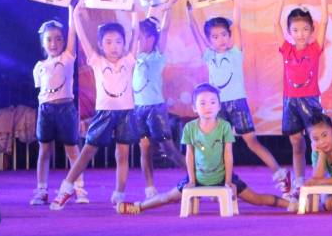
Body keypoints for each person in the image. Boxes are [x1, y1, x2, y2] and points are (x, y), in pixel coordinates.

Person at [116, 84, 295, 214]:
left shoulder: (224, 126)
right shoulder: (190, 128)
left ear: (219, 106)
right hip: (199, 176)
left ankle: (289, 203)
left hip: (222, 175)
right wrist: (192, 180)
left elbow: (228, 155)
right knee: (168, 197)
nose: (208, 107)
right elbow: (189, 156)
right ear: (194, 108)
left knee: (256, 199)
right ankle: (138, 206)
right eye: (202, 103)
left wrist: (228, 181)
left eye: (212, 102)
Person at [188, 0, 287, 193]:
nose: (221, 39)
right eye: (215, 37)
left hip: (238, 104)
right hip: (217, 107)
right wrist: (189, 12)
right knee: (218, 145)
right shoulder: (209, 56)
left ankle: (279, 173)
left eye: (224, 35)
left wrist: (236, 1)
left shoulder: (235, 52)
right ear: (210, 40)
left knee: (251, 141)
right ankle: (217, 181)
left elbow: (237, 24)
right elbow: (195, 34)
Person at [51, 1, 139, 210]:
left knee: (122, 154)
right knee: (88, 150)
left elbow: (136, 34)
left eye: (118, 42)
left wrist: (135, 13)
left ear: (124, 44)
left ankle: (119, 194)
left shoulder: (128, 60)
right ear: (100, 44)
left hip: (126, 113)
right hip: (104, 113)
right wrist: (76, 15)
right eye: (108, 42)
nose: (114, 46)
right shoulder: (97, 61)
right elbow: (82, 38)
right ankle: (67, 187)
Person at [31, 10, 89, 206]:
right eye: (49, 39)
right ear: (42, 43)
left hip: (66, 109)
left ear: (64, 41)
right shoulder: (39, 66)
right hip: (46, 110)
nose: (54, 43)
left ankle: (79, 188)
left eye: (58, 39)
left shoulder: (67, 58)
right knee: (44, 150)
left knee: (72, 150)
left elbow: (72, 31)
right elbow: (41, 90)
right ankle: (41, 190)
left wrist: (71, 9)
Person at [276, 0, 330, 196]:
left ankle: (320, 178)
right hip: (290, 102)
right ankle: (299, 182)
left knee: (318, 143)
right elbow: (275, 24)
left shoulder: (315, 48)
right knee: (296, 143)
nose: (301, 34)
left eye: (305, 29)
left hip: (310, 101)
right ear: (289, 31)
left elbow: (324, 22)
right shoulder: (286, 49)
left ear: (312, 30)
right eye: (296, 30)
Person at [130, 0, 180, 200]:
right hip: (138, 109)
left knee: (169, 149)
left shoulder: (157, 56)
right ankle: (150, 188)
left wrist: (168, 8)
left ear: (151, 39)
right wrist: (135, 11)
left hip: (156, 109)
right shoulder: (133, 58)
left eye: (140, 37)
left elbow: (165, 30)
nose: (136, 41)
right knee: (144, 149)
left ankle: (197, 180)